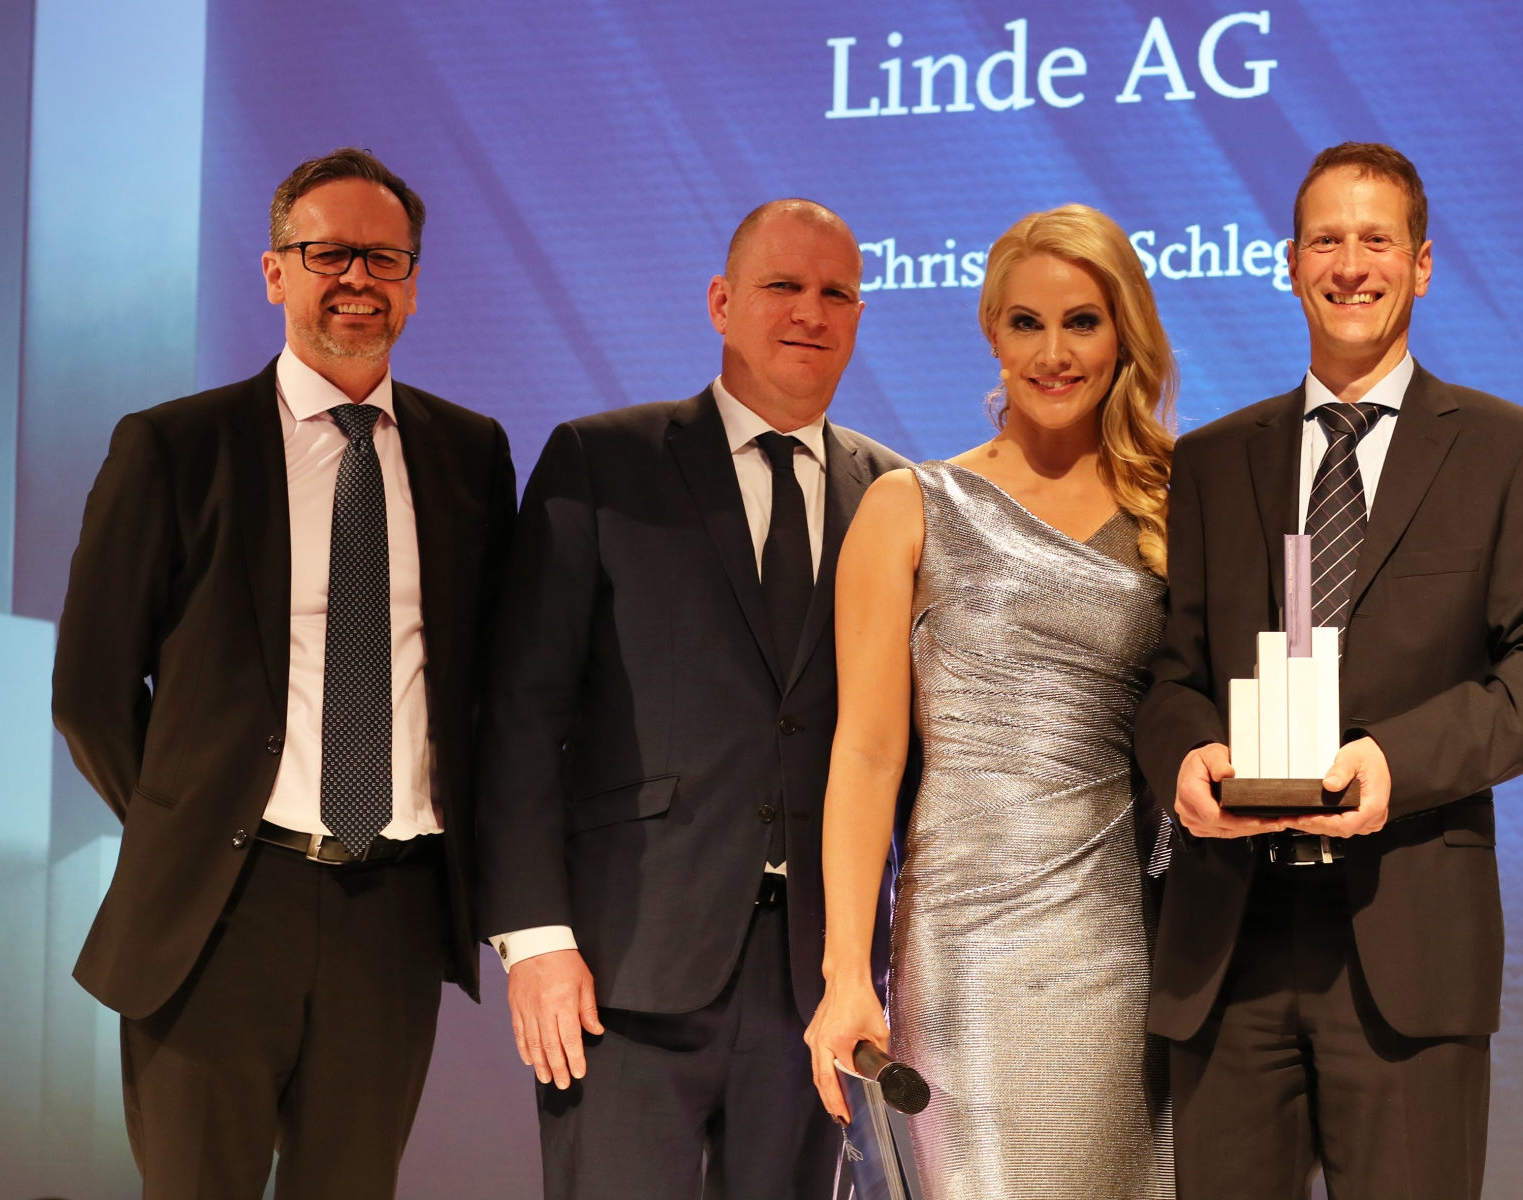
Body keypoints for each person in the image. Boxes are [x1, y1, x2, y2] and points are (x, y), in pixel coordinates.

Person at [50, 148, 517, 1199]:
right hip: (218, 911)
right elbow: (89, 693)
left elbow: (489, 684)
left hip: (393, 909)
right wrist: (192, 820)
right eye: (328, 253)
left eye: (385, 258)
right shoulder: (176, 447)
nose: (358, 279)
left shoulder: (468, 453)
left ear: (413, 282)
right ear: (275, 273)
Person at [1134, 142, 1523, 1198]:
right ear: (1291, 264)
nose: (1350, 265)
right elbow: (1174, 677)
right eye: (1326, 241)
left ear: (1421, 265)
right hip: (1229, 947)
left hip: (1410, 943)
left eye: (1376, 240)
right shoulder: (1214, 460)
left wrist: (1395, 761)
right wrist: (1186, 759)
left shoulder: (1508, 450)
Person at [476, 198, 910, 1198]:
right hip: (622, 968)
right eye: (782, 286)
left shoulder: (894, 495)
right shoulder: (603, 461)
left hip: (811, 984)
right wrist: (535, 938)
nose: (810, 311)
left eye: (836, 293)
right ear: (721, 301)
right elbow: (521, 714)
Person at [805, 204, 1177, 1198]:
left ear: (1124, 334)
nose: (1053, 353)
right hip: (964, 950)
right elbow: (867, 754)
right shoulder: (909, 506)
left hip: (1123, 945)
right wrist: (847, 973)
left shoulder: (1178, 507)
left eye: (1082, 322)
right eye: (1026, 323)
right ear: (992, 334)